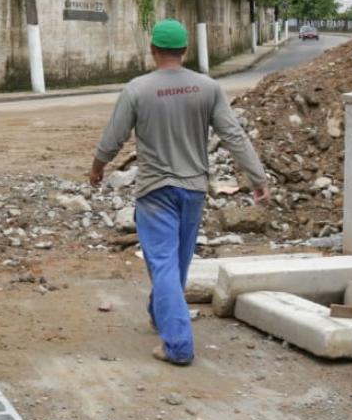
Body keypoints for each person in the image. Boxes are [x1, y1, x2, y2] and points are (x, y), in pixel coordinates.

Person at [89, 19, 270, 366]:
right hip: (193, 191)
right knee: (176, 263)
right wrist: (257, 178)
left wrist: (98, 167)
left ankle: (177, 345)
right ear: (185, 51)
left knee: (163, 264)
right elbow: (234, 135)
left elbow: (113, 139)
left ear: (153, 51)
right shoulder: (207, 87)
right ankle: (161, 314)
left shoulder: (137, 89)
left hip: (156, 191)